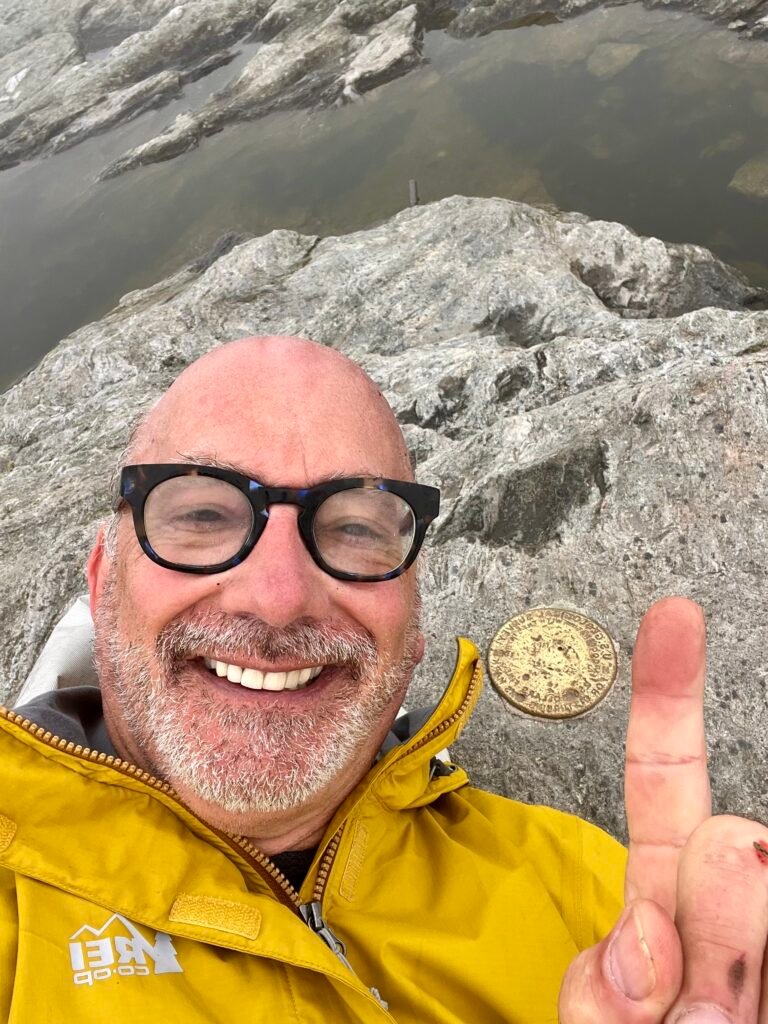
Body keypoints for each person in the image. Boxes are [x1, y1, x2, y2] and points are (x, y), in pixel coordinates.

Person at [0, 336, 763, 1024]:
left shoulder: (602, 901)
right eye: (202, 514)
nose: (278, 596)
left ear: (413, 619)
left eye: (353, 528)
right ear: (102, 582)